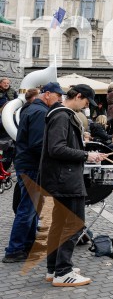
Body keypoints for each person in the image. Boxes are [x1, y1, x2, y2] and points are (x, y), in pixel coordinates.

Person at [41, 84, 106, 286]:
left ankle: (54, 268)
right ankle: (63, 271)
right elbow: (57, 149)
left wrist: (82, 146)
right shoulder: (62, 115)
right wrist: (87, 154)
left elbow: (60, 146)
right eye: (87, 102)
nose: (87, 106)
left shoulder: (60, 114)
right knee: (74, 224)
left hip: (61, 177)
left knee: (59, 225)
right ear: (78, 96)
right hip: (66, 179)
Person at [3, 83, 64, 264]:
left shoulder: (31, 109)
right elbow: (38, 144)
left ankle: (27, 246)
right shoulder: (39, 112)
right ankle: (14, 250)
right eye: (57, 95)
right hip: (31, 165)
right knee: (27, 210)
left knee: (32, 209)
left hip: (27, 164)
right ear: (46, 94)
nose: (59, 99)